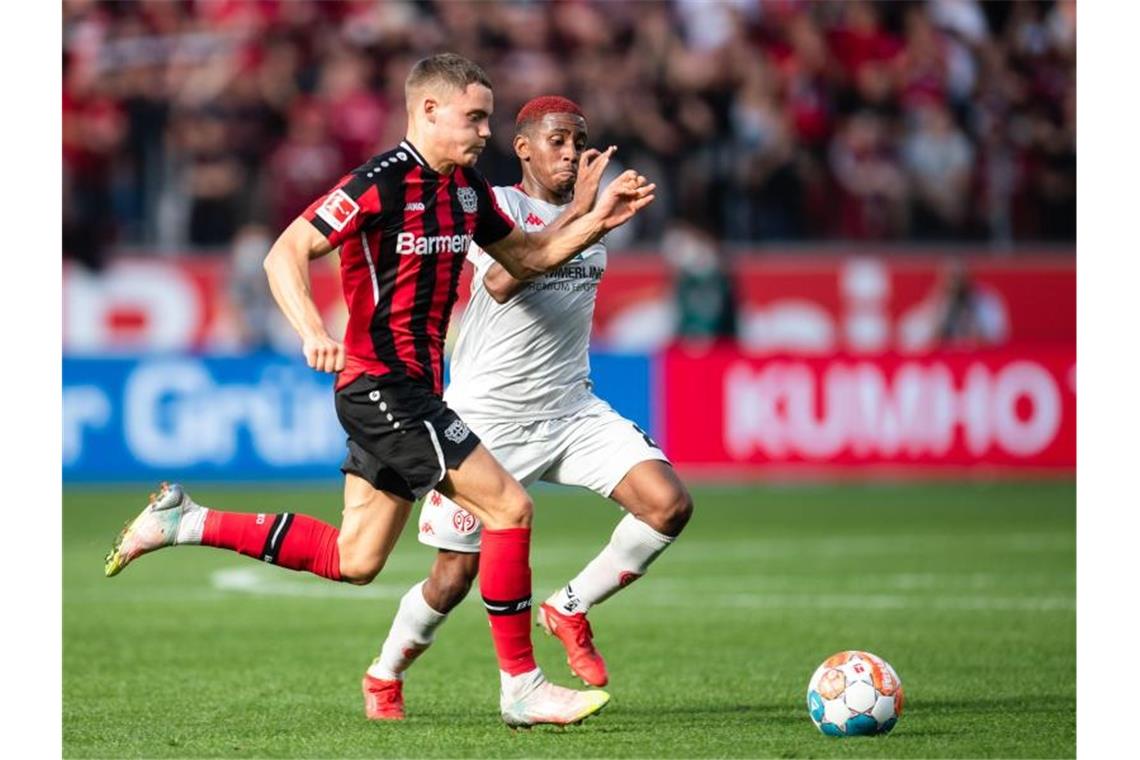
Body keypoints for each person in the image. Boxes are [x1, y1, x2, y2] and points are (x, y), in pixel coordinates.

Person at [102, 53, 655, 729]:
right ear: (427, 110)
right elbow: (286, 251)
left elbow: (527, 260)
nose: (485, 131)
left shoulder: (468, 189)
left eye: (487, 117)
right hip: (381, 384)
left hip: (412, 389)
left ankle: (184, 520)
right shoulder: (379, 182)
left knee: (355, 559)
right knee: (508, 509)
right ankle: (522, 685)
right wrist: (310, 328)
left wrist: (596, 220)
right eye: (474, 117)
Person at [363, 96, 694, 720]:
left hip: (570, 409)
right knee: (452, 581)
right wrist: (583, 217)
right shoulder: (495, 206)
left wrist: (588, 216)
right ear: (524, 148)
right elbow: (502, 280)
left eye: (579, 141)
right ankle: (385, 672)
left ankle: (568, 606)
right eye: (558, 141)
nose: (571, 153)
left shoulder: (592, 214)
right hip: (487, 422)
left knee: (668, 504)